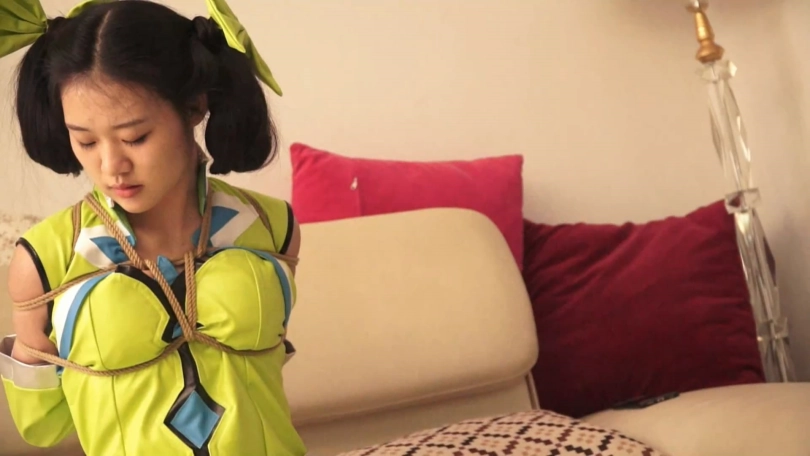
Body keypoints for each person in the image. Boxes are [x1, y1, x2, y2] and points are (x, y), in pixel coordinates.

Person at [0, 0, 306, 454]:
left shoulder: (273, 226)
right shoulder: (45, 261)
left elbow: (264, 378)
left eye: (134, 137)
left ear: (194, 107)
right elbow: (41, 426)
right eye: (86, 141)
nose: (111, 166)